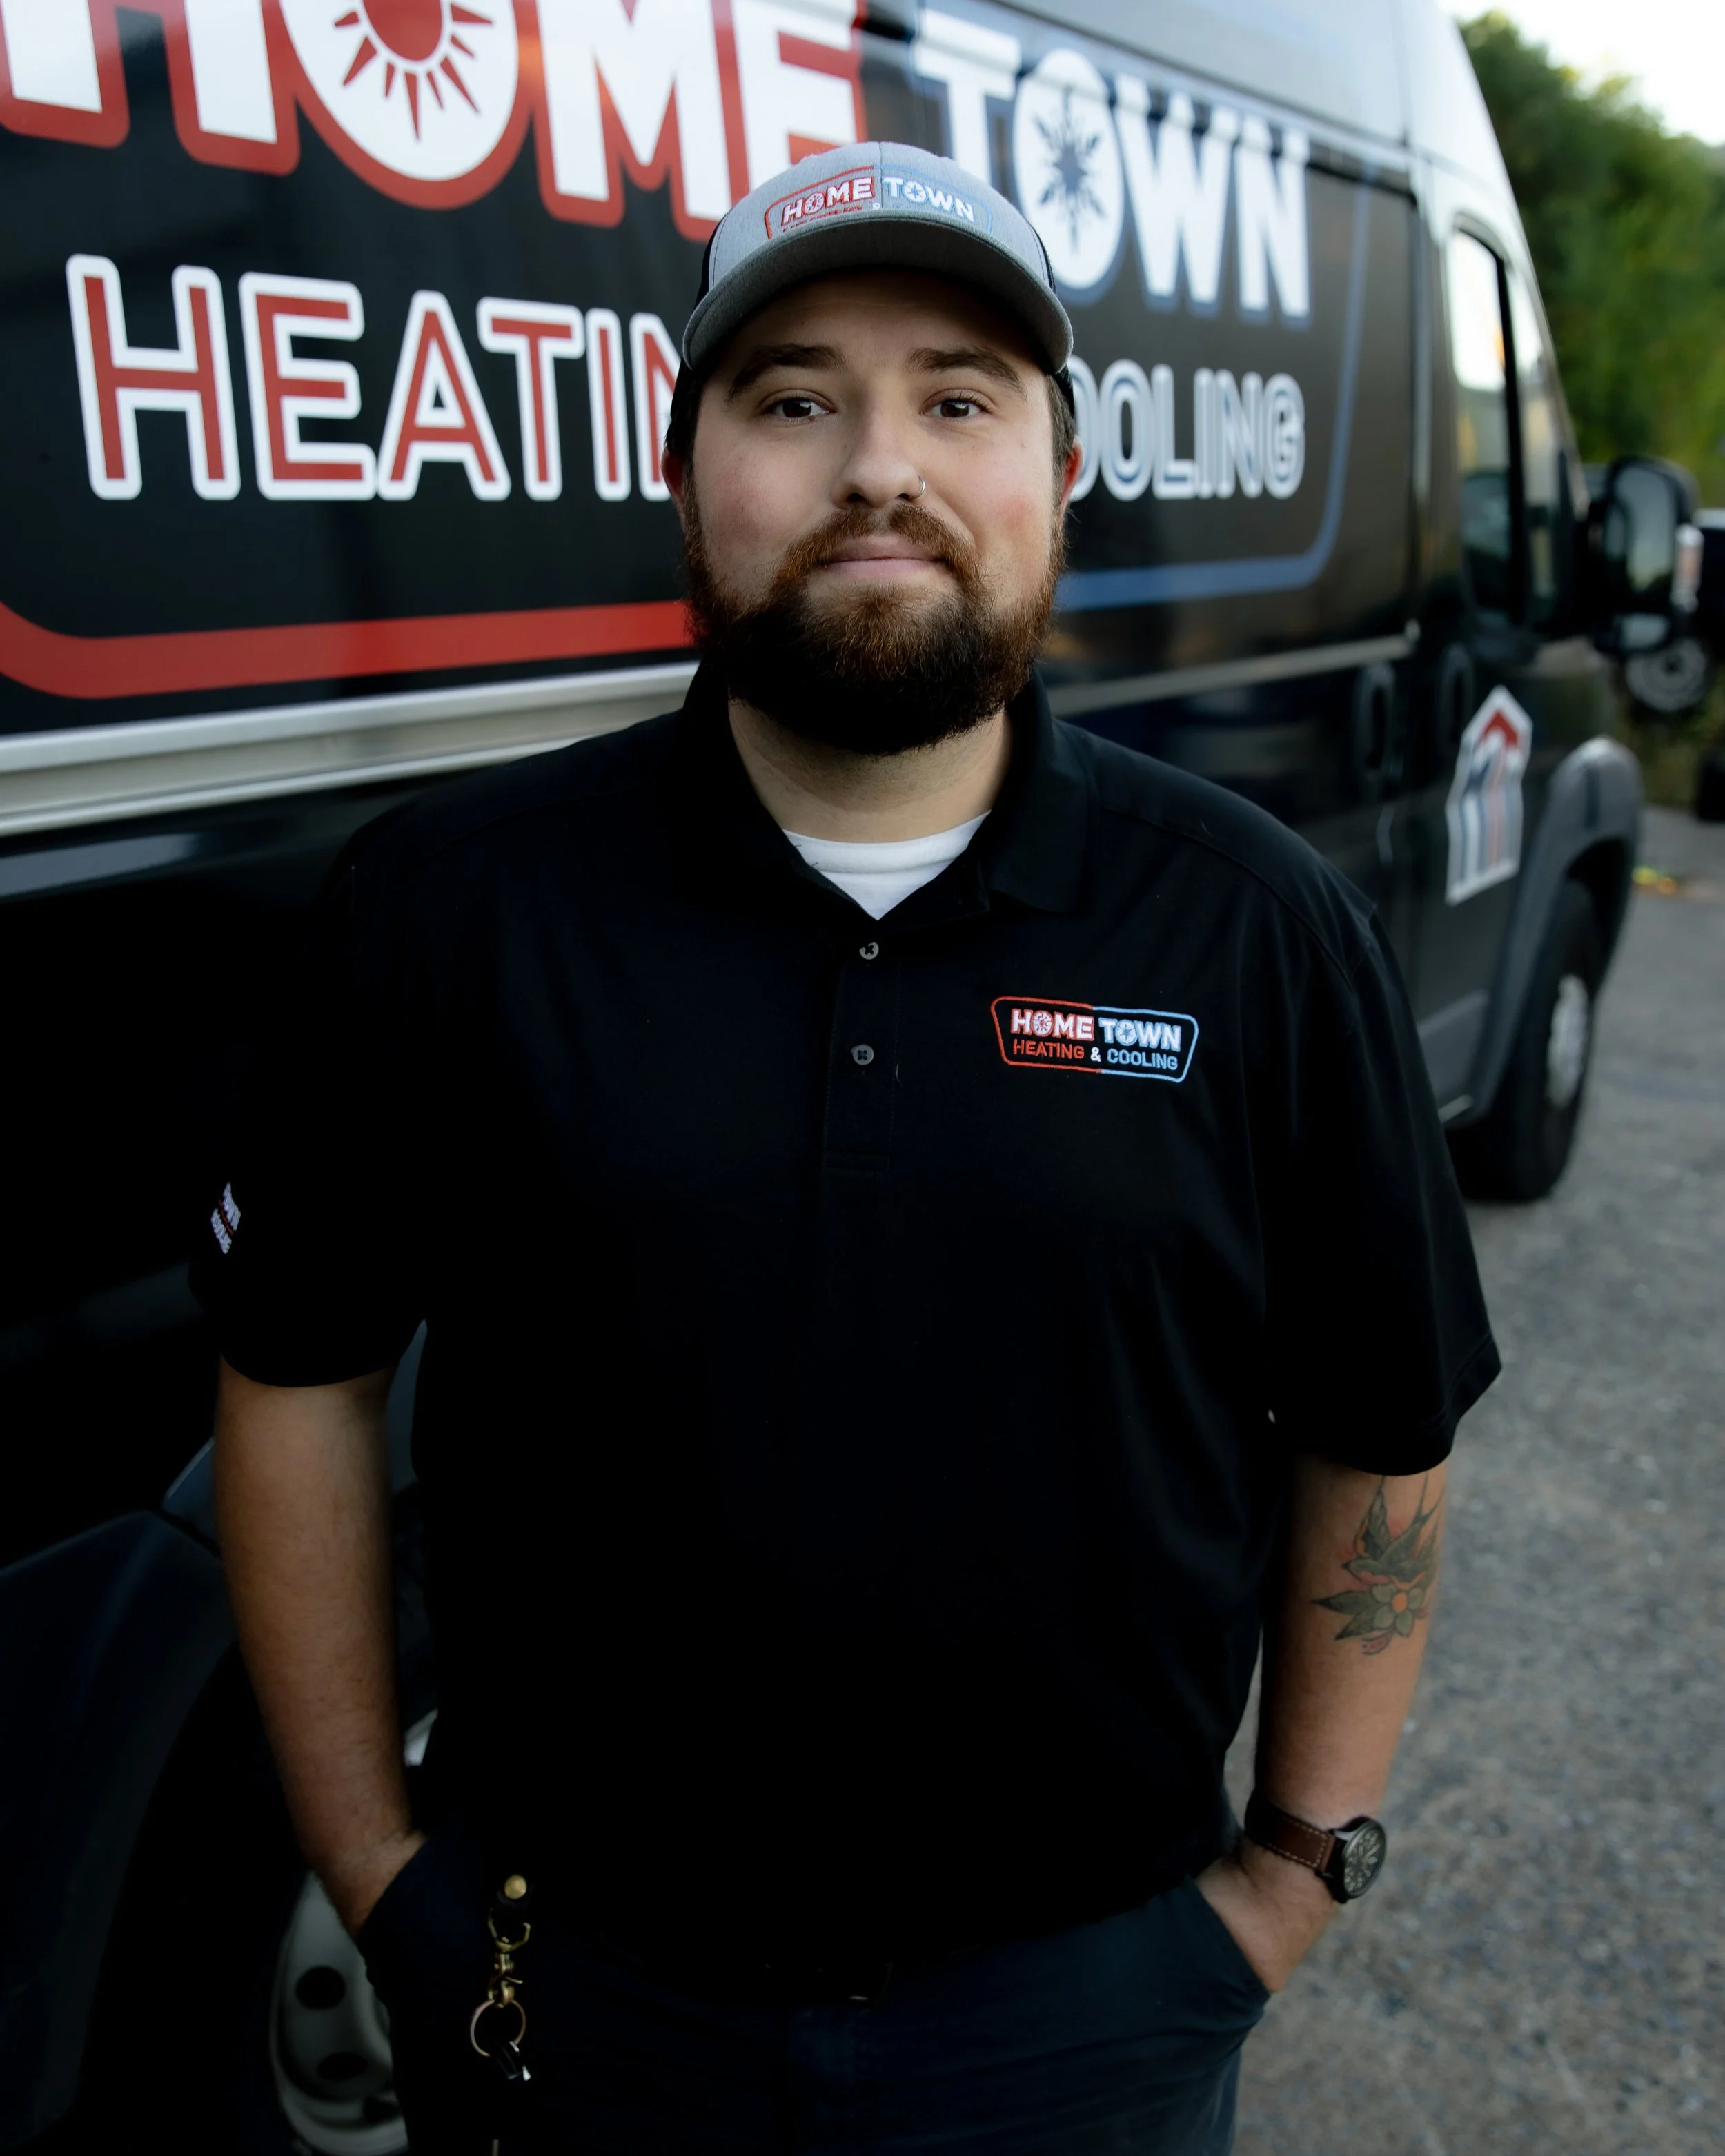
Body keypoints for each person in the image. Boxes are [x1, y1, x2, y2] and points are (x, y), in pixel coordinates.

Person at [198, 141, 1499, 2155]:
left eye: (958, 398)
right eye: (793, 396)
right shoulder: (449, 908)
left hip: (1086, 2017)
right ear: (687, 466)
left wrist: (1286, 1879)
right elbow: (294, 1371)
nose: (875, 463)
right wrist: (376, 1857)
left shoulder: (1250, 929)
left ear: (1058, 475)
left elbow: (1377, 1417)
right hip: (572, 1997)